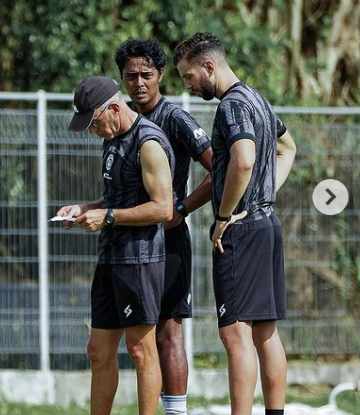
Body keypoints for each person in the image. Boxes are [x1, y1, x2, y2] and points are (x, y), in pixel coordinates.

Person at [173, 33, 296, 415]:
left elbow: (243, 160)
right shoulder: (257, 98)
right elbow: (287, 147)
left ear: (209, 67)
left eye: (188, 76)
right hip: (267, 223)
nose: (189, 86)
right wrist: (266, 192)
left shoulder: (232, 105)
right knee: (265, 330)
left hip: (240, 230)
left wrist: (224, 216)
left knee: (235, 332)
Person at [56, 76, 175, 415]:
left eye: (93, 123)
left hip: (140, 260)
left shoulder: (148, 143)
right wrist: (84, 209)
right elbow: (113, 200)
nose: (93, 131)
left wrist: (107, 217)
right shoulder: (112, 139)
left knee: (140, 351)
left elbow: (163, 207)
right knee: (97, 350)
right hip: (110, 257)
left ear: (113, 108)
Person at [115, 38, 213, 415]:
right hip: (131, 243)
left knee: (168, 330)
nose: (139, 83)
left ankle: (175, 412)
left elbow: (218, 166)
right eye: (130, 76)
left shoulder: (174, 118)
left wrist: (183, 208)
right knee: (140, 334)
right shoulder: (123, 119)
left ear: (159, 76)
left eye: (146, 75)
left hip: (168, 240)